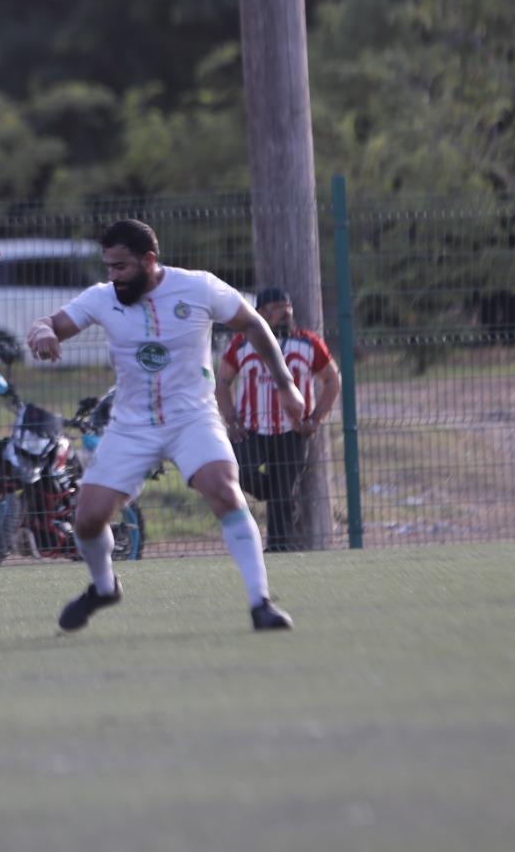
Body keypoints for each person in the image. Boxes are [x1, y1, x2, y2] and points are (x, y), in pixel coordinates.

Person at [26, 219, 304, 632]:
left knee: (224, 489)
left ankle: (260, 602)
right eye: (108, 267)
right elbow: (48, 322)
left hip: (193, 417)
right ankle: (103, 587)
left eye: (121, 266)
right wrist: (42, 333)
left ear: (149, 260)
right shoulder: (102, 297)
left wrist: (286, 385)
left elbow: (252, 323)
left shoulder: (198, 287)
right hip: (131, 426)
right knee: (87, 518)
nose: (113, 276)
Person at [215, 287, 342, 552]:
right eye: (276, 308)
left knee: (283, 498)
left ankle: (278, 551)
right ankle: (273, 492)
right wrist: (231, 420)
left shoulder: (309, 343)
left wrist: (315, 419)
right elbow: (223, 381)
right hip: (250, 430)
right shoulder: (241, 343)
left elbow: (332, 380)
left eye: (287, 307)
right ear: (260, 313)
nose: (285, 312)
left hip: (292, 431)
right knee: (238, 471)